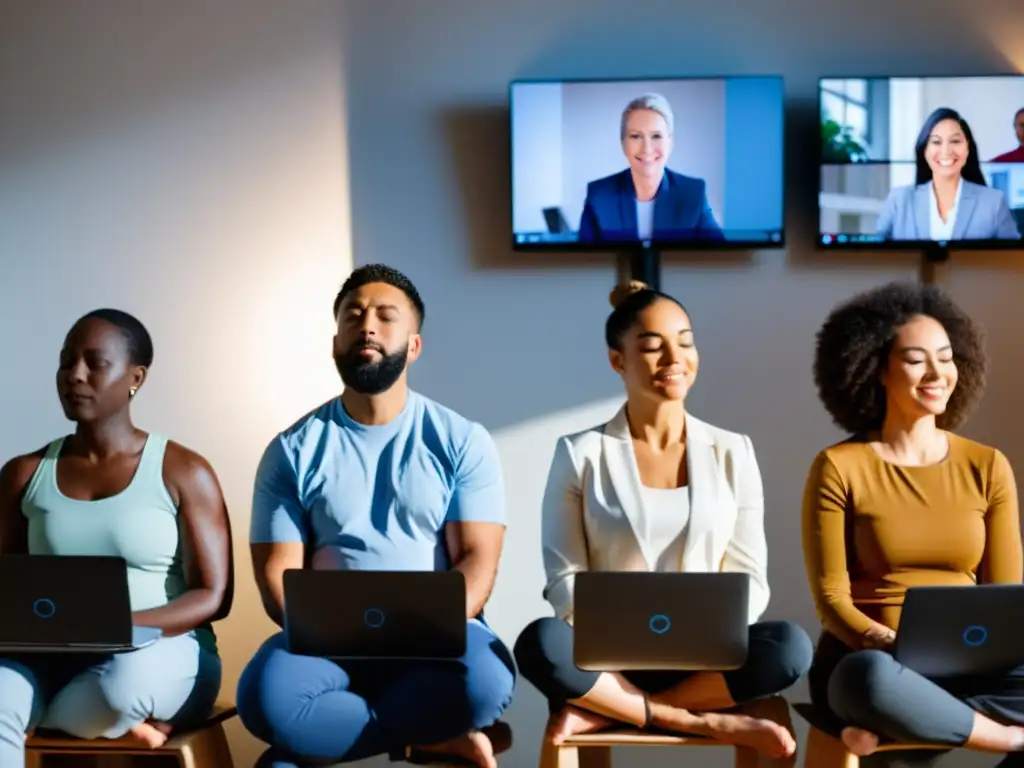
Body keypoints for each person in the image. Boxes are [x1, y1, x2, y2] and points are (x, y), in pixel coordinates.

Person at [514, 280, 812, 761]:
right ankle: (692, 719)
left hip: (706, 660)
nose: (674, 358)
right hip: (608, 657)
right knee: (540, 642)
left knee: (789, 646)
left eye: (686, 341)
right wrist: (611, 629)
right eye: (652, 347)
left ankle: (615, 710)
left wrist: (716, 627)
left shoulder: (733, 450)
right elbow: (563, 577)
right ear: (618, 361)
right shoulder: (580, 453)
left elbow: (750, 576)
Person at [235, 264, 516, 768]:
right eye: (353, 316)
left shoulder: (461, 440)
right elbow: (278, 574)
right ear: (335, 341)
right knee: (263, 698)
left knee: (485, 683)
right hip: (327, 643)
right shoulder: (291, 450)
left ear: (413, 346)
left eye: (386, 317)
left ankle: (331, 736)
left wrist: (438, 625)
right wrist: (320, 630)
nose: (367, 326)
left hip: (436, 638)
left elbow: (477, 560)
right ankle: (429, 739)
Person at [803, 281, 1024, 763]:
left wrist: (970, 654)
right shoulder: (839, 466)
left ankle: (895, 723)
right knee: (867, 682)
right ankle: (1002, 734)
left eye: (946, 358)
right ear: (877, 368)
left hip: (969, 663)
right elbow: (832, 601)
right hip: (875, 658)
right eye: (916, 359)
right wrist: (892, 643)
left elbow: (1005, 598)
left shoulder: (987, 466)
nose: (938, 372)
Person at [0, 309, 231, 767]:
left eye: (94, 363)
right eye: (66, 362)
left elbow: (215, 595)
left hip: (167, 649)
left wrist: (119, 626)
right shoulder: (24, 473)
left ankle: (64, 717)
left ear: (136, 377)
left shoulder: (183, 470)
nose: (74, 375)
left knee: (116, 689)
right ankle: (107, 725)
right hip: (53, 658)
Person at [577, 94, 726, 244]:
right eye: (636, 136)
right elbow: (583, 261)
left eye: (656, 136)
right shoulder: (599, 195)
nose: (647, 149)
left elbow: (724, 258)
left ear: (670, 143)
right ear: (623, 144)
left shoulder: (693, 193)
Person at [876, 107, 1021, 241]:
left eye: (955, 141)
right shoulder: (899, 200)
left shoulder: (993, 202)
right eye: (936, 142)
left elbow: (1014, 261)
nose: (946, 151)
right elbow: (874, 259)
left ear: (968, 149)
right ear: (924, 150)